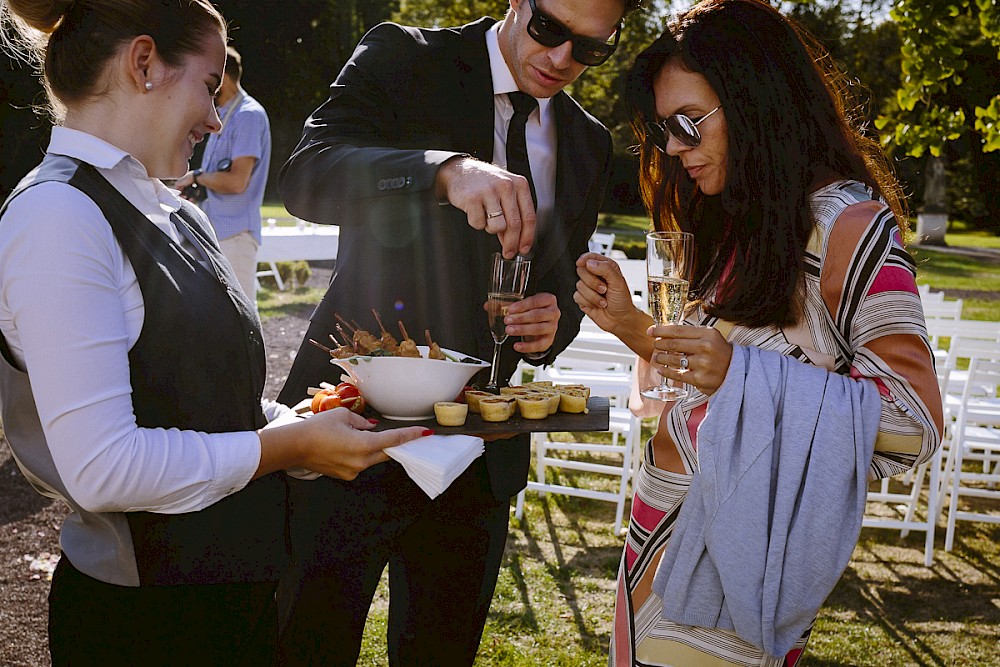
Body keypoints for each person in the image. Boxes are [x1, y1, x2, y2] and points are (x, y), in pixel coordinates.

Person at [0, 1, 427, 663]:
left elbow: (208, 398)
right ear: (144, 63)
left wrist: (305, 422)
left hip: (239, 601)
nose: (215, 117)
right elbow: (103, 468)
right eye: (207, 85)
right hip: (144, 625)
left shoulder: (181, 214)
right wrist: (285, 448)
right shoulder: (58, 214)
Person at [573, 0, 944, 664]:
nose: (675, 149)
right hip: (660, 534)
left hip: (736, 561)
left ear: (756, 101)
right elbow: (710, 386)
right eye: (663, 131)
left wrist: (739, 374)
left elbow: (915, 421)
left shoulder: (850, 228)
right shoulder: (738, 220)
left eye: (688, 124)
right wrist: (634, 326)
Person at [275, 0, 643, 663]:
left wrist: (553, 320)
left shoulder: (587, 140)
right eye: (550, 31)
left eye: (590, 49)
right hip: (349, 430)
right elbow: (307, 173)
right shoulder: (407, 57)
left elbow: (560, 283)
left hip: (478, 462)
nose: (563, 60)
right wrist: (441, 172)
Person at [175, 45, 271, 304]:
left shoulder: (248, 115)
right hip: (218, 234)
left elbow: (237, 181)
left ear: (224, 75)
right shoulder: (225, 114)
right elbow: (217, 176)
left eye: (210, 78)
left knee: (241, 327)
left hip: (236, 236)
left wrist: (196, 177)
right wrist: (199, 188)